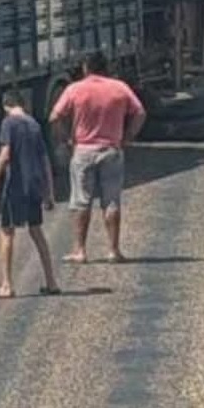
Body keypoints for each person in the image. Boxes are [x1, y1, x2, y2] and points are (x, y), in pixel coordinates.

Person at [48, 50, 146, 264]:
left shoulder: (75, 89)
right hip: (111, 150)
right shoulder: (120, 88)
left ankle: (80, 251)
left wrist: (66, 139)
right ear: (106, 67)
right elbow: (140, 113)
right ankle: (113, 250)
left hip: (83, 150)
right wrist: (127, 137)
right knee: (111, 201)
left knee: (82, 201)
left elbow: (54, 117)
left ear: (86, 68)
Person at [0, 90, 61, 299]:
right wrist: (50, 192)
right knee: (36, 231)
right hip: (35, 185)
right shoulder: (34, 124)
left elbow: (5, 155)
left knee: (7, 231)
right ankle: (51, 281)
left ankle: (7, 285)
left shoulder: (9, 123)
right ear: (23, 104)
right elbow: (45, 160)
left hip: (15, 186)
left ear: (5, 106)